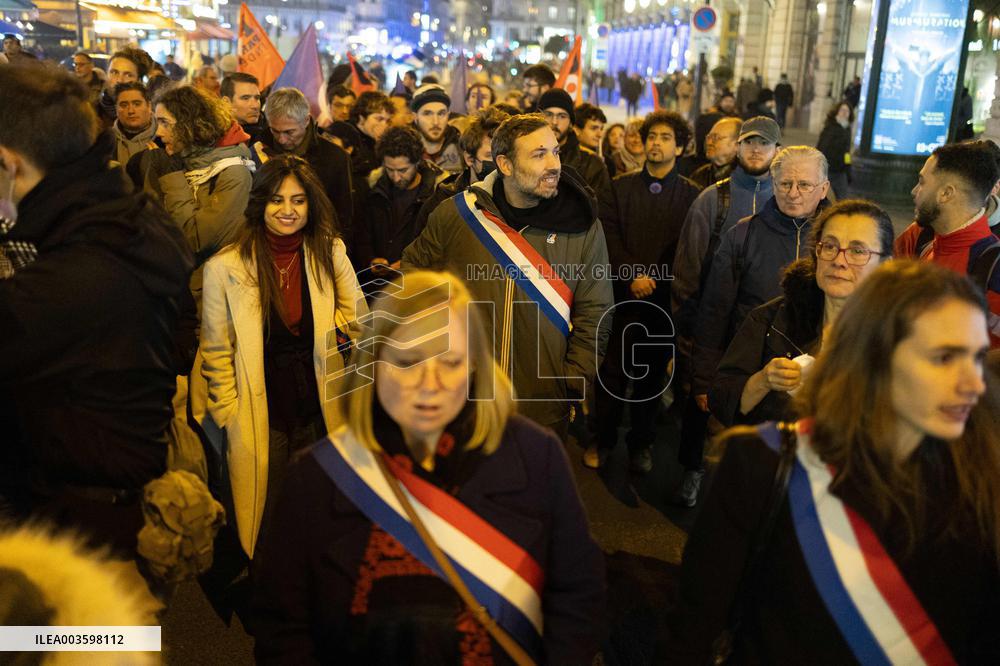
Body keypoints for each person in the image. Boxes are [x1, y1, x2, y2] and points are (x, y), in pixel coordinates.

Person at [250, 270, 606, 664]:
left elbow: (577, 593)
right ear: (374, 364)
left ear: (475, 367)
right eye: (408, 362)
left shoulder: (537, 457)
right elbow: (283, 630)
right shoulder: (315, 479)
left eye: (450, 362)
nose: (429, 383)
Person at [668, 260, 1000, 663]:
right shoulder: (762, 464)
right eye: (945, 358)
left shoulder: (980, 489)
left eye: (977, 357)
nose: (974, 384)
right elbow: (691, 631)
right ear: (875, 358)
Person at [0, 66, 193, 556]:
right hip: (109, 516)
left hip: (80, 544)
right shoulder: (121, 217)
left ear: (9, 163)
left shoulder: (71, 277)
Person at [402, 114, 613, 441]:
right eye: (539, 155)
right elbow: (413, 277)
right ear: (505, 164)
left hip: (543, 403)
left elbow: (596, 310)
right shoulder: (457, 214)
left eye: (555, 152)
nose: (554, 165)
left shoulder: (584, 225)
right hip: (463, 398)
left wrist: (572, 380)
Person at [199, 155, 367, 559]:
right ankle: (268, 587)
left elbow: (359, 320)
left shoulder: (329, 251)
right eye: (277, 200)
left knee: (321, 507)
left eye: (298, 200)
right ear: (261, 203)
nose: (287, 210)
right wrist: (227, 410)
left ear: (311, 205)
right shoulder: (225, 266)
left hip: (320, 403)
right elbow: (216, 348)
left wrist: (338, 342)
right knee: (268, 514)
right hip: (260, 406)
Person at [684, 145, 830, 505]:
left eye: (804, 185)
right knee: (740, 480)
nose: (793, 193)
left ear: (824, 188)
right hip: (749, 376)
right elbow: (715, 310)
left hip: (817, 385)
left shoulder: (837, 243)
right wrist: (703, 377)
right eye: (785, 184)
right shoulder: (743, 234)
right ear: (772, 185)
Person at [709, 200, 894, 432]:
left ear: (885, 265)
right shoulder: (773, 319)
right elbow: (721, 400)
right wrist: (763, 380)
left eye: (858, 251)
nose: (839, 261)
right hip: (772, 451)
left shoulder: (896, 338)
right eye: (829, 246)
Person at [591, 111, 702, 471]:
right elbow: (607, 235)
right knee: (611, 374)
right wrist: (631, 274)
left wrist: (654, 278)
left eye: (666, 137)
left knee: (651, 379)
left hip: (663, 302)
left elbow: (690, 248)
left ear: (679, 147)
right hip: (621, 298)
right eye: (652, 136)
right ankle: (602, 440)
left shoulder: (692, 196)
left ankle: (641, 444)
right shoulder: (619, 187)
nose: (656, 143)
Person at [142, 84, 254, 311]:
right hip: (169, 291)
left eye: (165, 123)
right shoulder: (177, 161)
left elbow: (194, 241)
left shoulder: (233, 173)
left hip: (210, 300)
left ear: (189, 123)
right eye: (157, 122)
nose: (158, 133)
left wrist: (172, 180)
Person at [896, 141, 1000, 348]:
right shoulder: (921, 236)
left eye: (922, 182)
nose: (914, 191)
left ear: (946, 193)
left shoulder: (994, 267)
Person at [259, 88, 355, 244]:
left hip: (317, 244)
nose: (281, 139)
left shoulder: (335, 158)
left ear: (306, 121)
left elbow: (343, 214)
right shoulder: (257, 149)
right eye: (275, 131)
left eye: (289, 132)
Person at [356, 125, 448, 280]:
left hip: (419, 283)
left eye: (403, 170)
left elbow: (441, 246)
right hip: (379, 285)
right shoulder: (374, 189)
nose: (396, 177)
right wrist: (371, 259)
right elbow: (362, 235)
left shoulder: (436, 195)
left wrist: (409, 263)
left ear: (417, 162)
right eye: (389, 170)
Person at [538, 89, 614, 221]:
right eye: (548, 114)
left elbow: (600, 211)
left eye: (562, 116)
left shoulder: (593, 164)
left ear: (571, 123)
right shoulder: (524, 156)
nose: (554, 122)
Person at [411, 84, 462, 173]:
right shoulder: (404, 150)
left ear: (448, 115)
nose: (435, 122)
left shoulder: (463, 147)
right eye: (427, 114)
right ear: (415, 117)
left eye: (441, 114)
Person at [349, 90, 395, 181]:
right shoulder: (346, 137)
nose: (385, 125)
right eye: (379, 119)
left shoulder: (379, 141)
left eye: (387, 121)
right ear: (361, 118)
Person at [111, 82, 156, 168]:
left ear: (149, 106)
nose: (131, 111)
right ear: (116, 109)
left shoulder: (165, 139)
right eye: (124, 105)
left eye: (137, 104)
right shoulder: (107, 142)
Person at [689, 117, 740, 189]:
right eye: (709, 137)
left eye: (716, 138)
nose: (709, 143)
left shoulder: (748, 176)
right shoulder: (699, 176)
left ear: (737, 144)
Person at [816, 102, 853, 200]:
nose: (844, 113)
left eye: (847, 111)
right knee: (820, 197)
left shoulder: (847, 129)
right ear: (837, 112)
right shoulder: (830, 127)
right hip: (828, 168)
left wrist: (848, 166)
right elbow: (822, 146)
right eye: (842, 110)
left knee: (843, 199)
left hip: (840, 170)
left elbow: (847, 152)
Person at [221, 72, 266, 147]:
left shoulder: (273, 133)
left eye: (257, 98)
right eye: (245, 98)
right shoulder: (213, 138)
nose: (255, 106)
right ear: (226, 102)